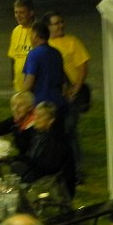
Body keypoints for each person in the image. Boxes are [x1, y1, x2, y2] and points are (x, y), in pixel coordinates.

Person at [44, 11, 89, 185]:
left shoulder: (72, 41)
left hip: (71, 95)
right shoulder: (45, 44)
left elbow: (83, 68)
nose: (61, 26)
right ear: (47, 27)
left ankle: (77, 171)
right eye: (56, 23)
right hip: (53, 96)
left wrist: (75, 90)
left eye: (61, 22)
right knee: (55, 133)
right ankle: (59, 169)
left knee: (70, 131)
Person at [12, 101, 73, 192]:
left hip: (51, 182)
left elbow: (47, 167)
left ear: (51, 120)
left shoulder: (57, 139)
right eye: (35, 115)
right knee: (15, 167)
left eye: (40, 116)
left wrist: (23, 161)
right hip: (36, 172)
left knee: (17, 168)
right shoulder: (38, 133)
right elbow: (22, 146)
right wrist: (18, 124)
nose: (36, 119)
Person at [23, 21, 67, 117]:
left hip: (41, 105)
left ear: (35, 35)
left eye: (30, 34)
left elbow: (29, 81)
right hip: (58, 102)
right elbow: (62, 78)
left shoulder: (34, 54)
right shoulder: (56, 53)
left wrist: (22, 99)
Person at [0, 92, 37, 156]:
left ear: (30, 108)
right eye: (13, 105)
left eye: (20, 105)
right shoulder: (16, 120)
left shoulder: (35, 127)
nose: (15, 108)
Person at [8, 0, 35, 92]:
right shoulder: (16, 31)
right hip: (19, 87)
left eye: (22, 12)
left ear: (31, 13)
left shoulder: (38, 31)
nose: (18, 16)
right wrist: (13, 80)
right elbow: (13, 58)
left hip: (34, 87)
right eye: (16, 12)